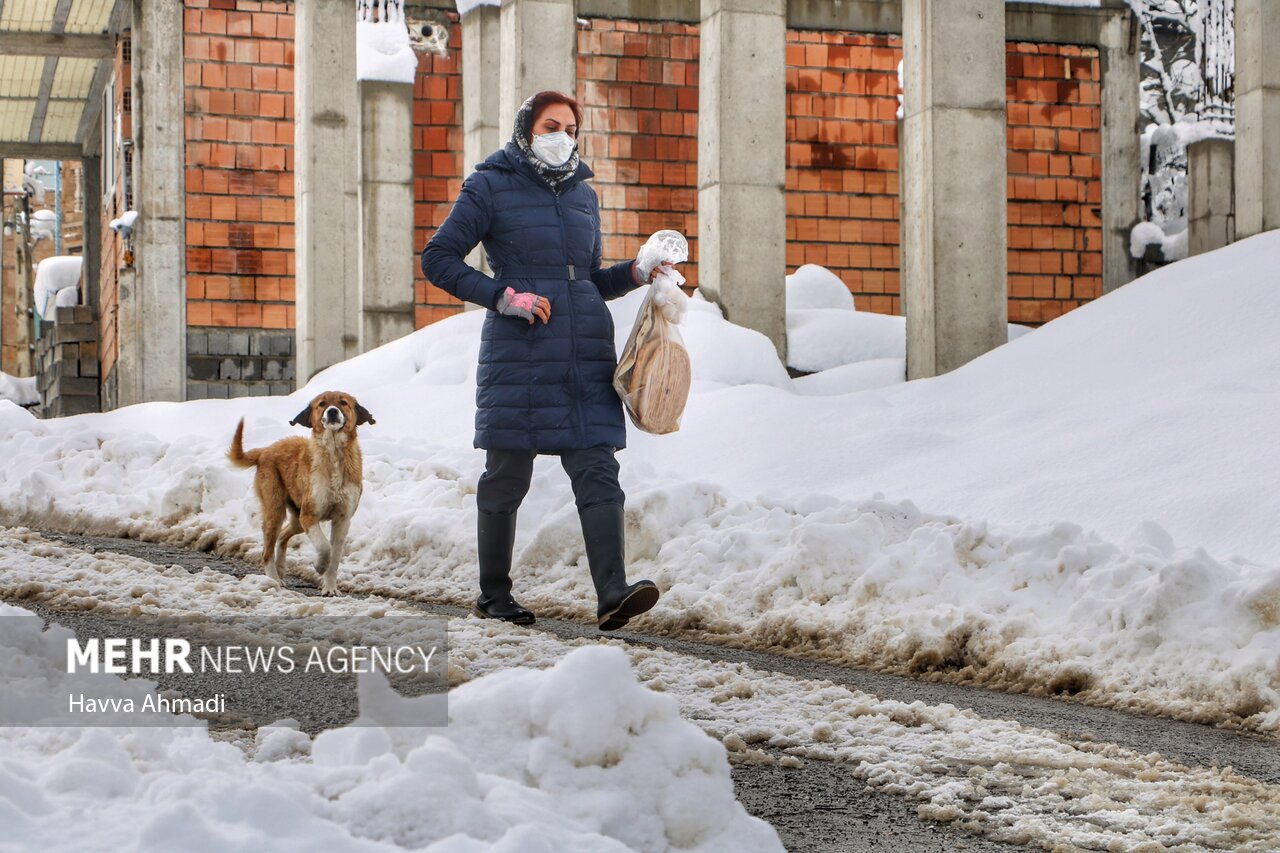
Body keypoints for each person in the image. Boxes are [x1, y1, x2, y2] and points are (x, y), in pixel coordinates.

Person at [421, 91, 681, 631]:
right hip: (520, 352)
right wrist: (502, 296)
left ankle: (612, 592)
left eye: (569, 127)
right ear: (527, 129)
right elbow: (438, 259)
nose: (561, 135)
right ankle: (494, 595)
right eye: (550, 125)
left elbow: (586, 278)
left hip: (585, 351)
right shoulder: (489, 184)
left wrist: (636, 271)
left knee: (598, 468)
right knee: (507, 474)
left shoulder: (584, 196)